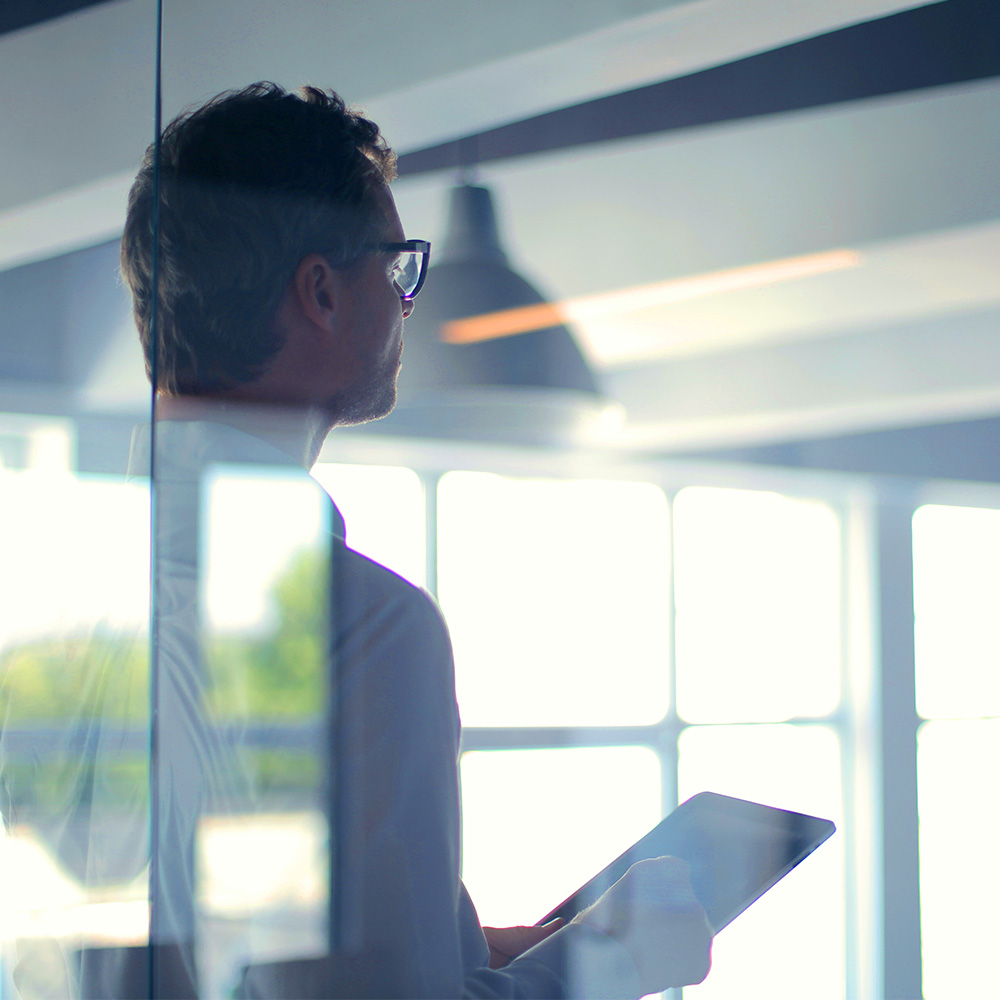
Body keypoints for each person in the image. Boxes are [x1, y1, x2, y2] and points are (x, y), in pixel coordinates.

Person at [118, 81, 713, 999]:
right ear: (320, 291)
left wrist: (460, 946)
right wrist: (619, 960)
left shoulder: (58, 583)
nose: (406, 304)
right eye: (397, 271)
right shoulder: (360, 629)